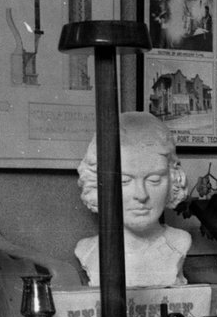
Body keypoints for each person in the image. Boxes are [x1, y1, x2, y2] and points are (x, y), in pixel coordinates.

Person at [74, 111, 192, 287]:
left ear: (173, 179)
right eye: (124, 181)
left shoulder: (179, 243)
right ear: (99, 184)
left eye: (154, 180)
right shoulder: (88, 250)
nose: (141, 195)